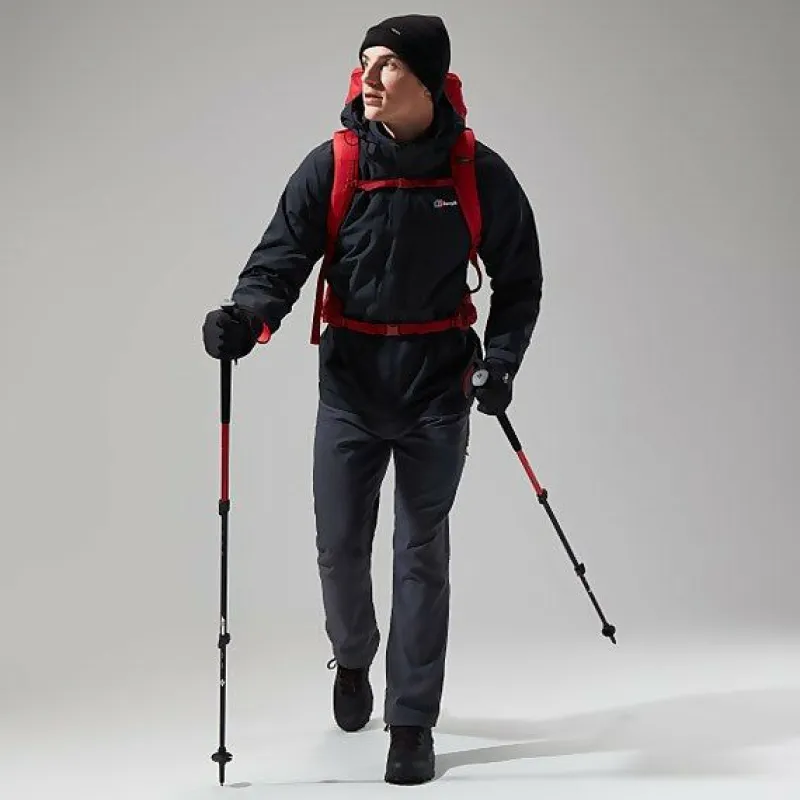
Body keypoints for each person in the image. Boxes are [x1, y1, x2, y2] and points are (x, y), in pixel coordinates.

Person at [202, 13, 543, 785]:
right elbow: (280, 261)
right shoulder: (335, 164)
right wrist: (245, 318)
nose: (369, 77)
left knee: (421, 552)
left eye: (388, 64)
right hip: (351, 388)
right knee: (339, 547)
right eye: (365, 61)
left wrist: (502, 363)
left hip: (437, 389)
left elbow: (520, 280)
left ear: (429, 79)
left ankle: (411, 721)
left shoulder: (477, 172)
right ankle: (353, 655)